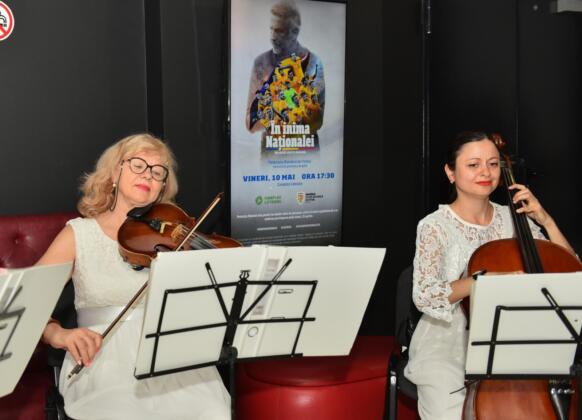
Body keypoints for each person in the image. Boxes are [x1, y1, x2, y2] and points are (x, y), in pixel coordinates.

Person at [38, 133, 230, 420]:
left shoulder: (174, 240)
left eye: (158, 172)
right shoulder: (80, 234)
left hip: (169, 358)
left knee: (212, 411)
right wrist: (59, 335)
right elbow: (26, 303)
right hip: (102, 361)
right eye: (138, 165)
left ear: (162, 187)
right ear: (114, 172)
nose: (148, 175)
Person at [403, 131, 576, 420]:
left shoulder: (513, 219)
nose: (486, 172)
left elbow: (570, 269)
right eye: (473, 165)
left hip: (511, 334)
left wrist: (545, 220)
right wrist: (480, 282)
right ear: (450, 172)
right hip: (449, 341)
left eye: (493, 164)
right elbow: (425, 295)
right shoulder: (434, 226)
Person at [246, 0, 325, 152]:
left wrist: (284, 100)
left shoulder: (313, 63)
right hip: (272, 155)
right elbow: (251, 123)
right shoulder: (261, 63)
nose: (272, 37)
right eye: (271, 29)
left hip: (306, 156)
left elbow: (317, 121)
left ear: (294, 32)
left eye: (279, 31)